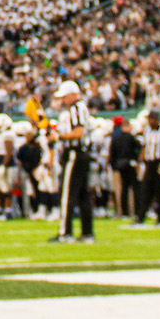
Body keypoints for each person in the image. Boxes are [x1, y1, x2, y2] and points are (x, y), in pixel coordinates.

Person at [50, 81, 95, 242]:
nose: (63, 100)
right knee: (83, 196)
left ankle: (65, 232)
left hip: (75, 154)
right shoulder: (78, 109)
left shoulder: (77, 109)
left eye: (64, 97)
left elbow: (78, 133)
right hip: (81, 154)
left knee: (67, 194)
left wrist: (59, 136)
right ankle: (87, 233)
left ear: (72, 95)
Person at [106, 109, 141, 225]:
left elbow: (112, 152)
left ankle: (124, 212)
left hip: (120, 165)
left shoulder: (115, 138)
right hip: (130, 164)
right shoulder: (131, 137)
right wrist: (136, 160)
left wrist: (112, 164)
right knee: (135, 188)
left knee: (124, 189)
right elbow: (139, 149)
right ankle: (135, 211)